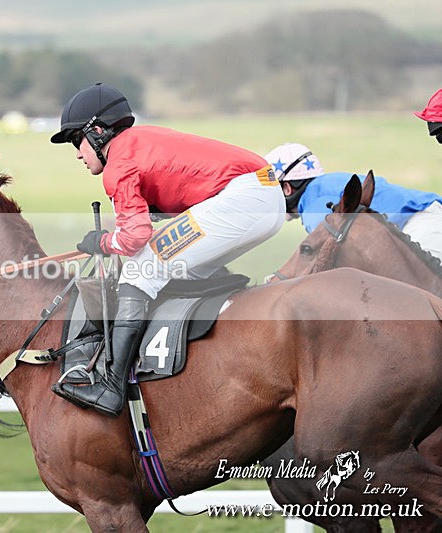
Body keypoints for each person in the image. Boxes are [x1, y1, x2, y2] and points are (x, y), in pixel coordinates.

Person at [49, 83, 285, 416]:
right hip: (263, 196)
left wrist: (99, 243)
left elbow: (133, 238)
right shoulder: (137, 143)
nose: (77, 153)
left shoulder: (120, 162)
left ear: (98, 132)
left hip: (244, 199)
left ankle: (110, 387)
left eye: (77, 141)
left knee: (140, 269)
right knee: (174, 269)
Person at [264, 142, 442, 260]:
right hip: (421, 219)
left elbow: (325, 258)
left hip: (421, 223)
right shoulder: (322, 188)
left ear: (287, 188)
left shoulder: (313, 204)